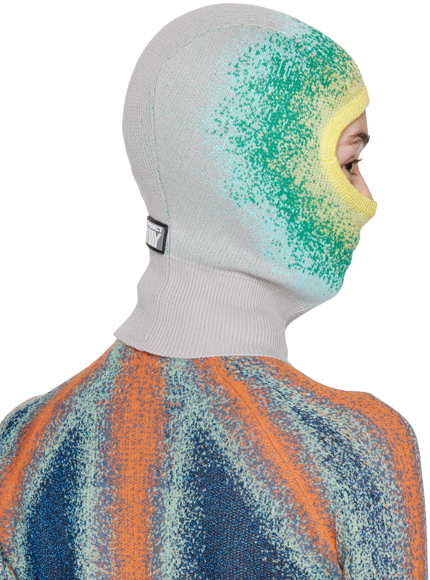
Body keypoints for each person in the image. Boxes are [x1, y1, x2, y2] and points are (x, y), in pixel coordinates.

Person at [1, 4, 427, 579]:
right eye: (351, 161)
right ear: (260, 182)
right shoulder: (356, 450)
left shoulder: (21, 444)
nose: (369, 202)